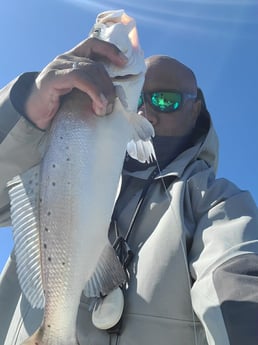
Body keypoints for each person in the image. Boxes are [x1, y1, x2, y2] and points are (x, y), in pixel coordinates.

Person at [0, 36, 258, 345]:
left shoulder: (215, 201)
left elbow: (238, 279)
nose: (148, 111)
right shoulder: (54, 156)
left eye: (165, 100)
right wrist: (23, 108)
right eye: (137, 99)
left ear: (195, 108)